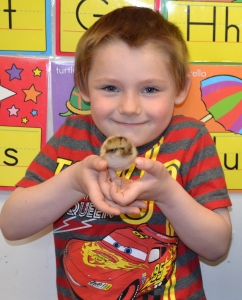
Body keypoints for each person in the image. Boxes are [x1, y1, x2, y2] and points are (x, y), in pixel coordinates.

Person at [0, 6, 232, 300]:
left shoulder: (190, 139)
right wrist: (73, 182)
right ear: (83, 87)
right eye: (111, 87)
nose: (130, 107)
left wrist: (168, 194)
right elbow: (11, 225)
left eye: (149, 89)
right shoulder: (70, 136)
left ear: (180, 88)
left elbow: (217, 247)